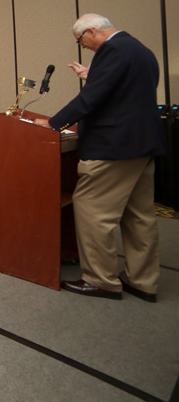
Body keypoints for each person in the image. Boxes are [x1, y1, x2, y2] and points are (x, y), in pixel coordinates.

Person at [33, 13, 165, 302]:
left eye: (80, 40)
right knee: (139, 216)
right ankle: (142, 281)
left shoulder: (112, 50)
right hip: (142, 144)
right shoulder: (140, 50)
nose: (82, 46)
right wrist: (93, 77)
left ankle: (101, 279)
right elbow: (126, 94)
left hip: (113, 147)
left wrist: (54, 123)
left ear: (91, 31)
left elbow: (91, 99)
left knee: (91, 209)